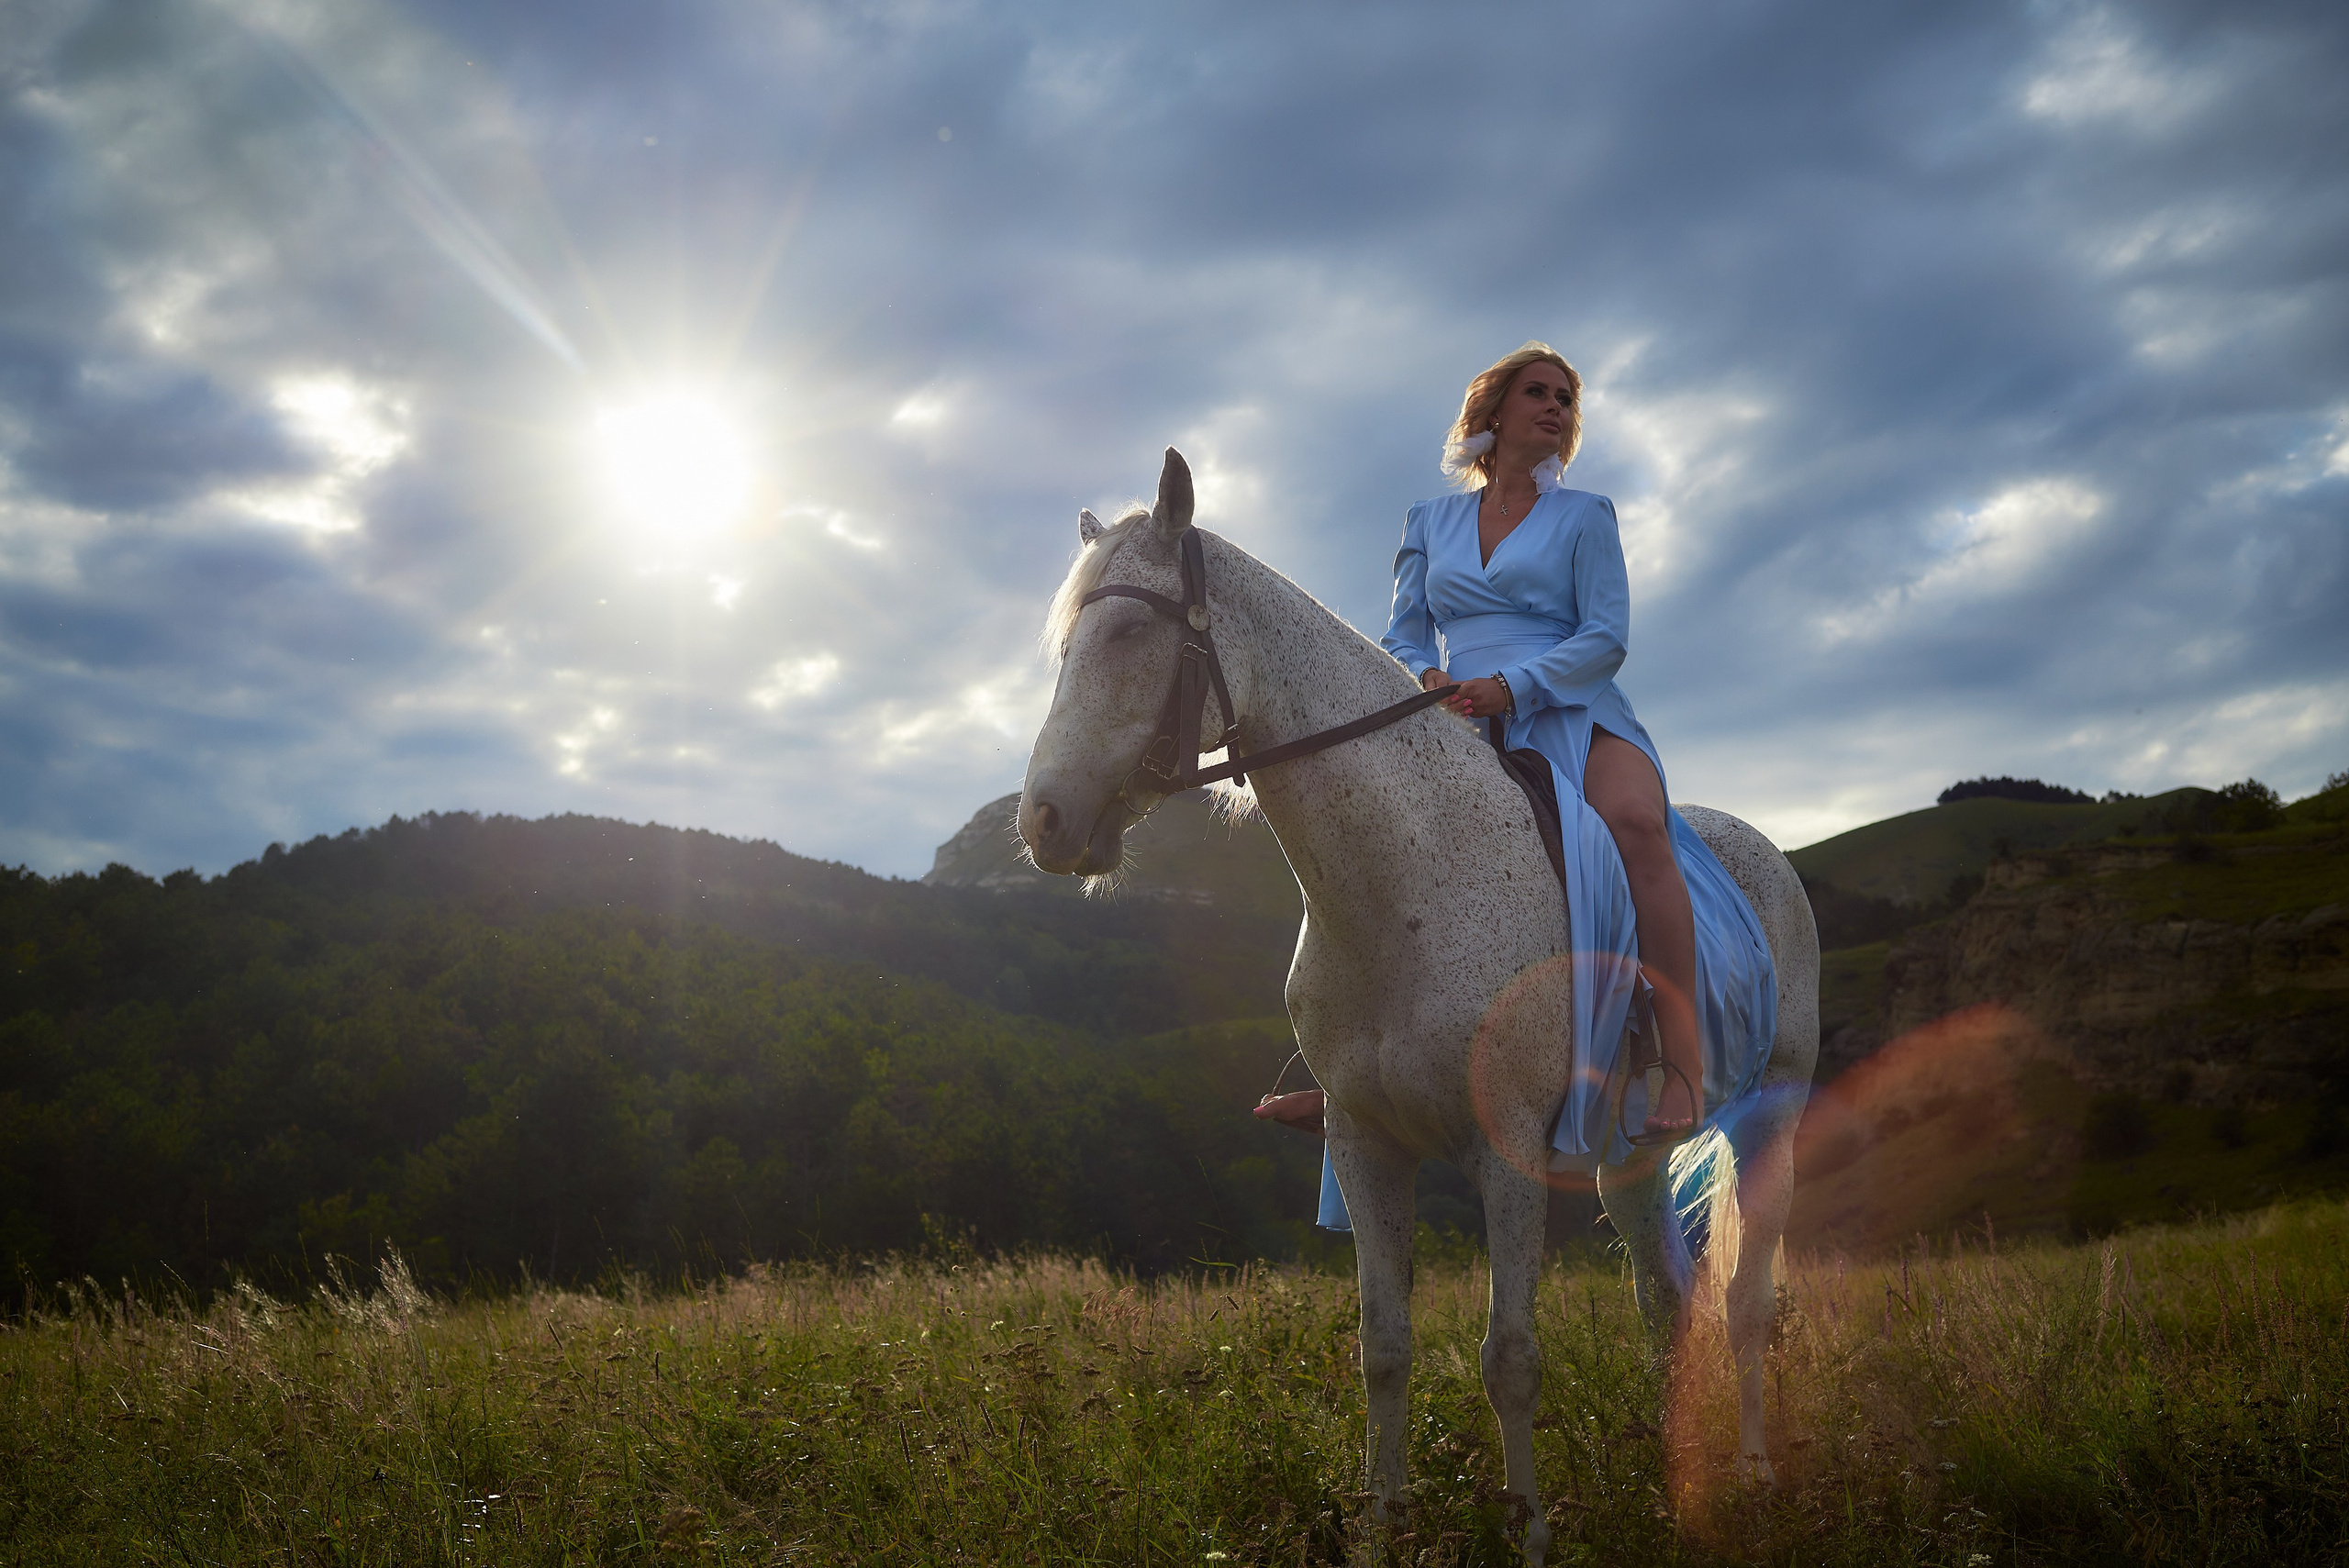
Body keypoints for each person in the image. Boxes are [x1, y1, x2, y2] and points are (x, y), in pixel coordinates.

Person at [1258, 341, 1720, 1156]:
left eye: (1567, 399)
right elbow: (1401, 633)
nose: (1557, 407)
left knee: (1637, 826)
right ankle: (1341, 1072)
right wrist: (1428, 678)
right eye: (1538, 392)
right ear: (1494, 413)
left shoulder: (1587, 517)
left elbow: (1606, 636)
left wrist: (1517, 687)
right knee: (1368, 842)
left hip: (1572, 705)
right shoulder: (1426, 522)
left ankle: (1680, 1060)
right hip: (1451, 716)